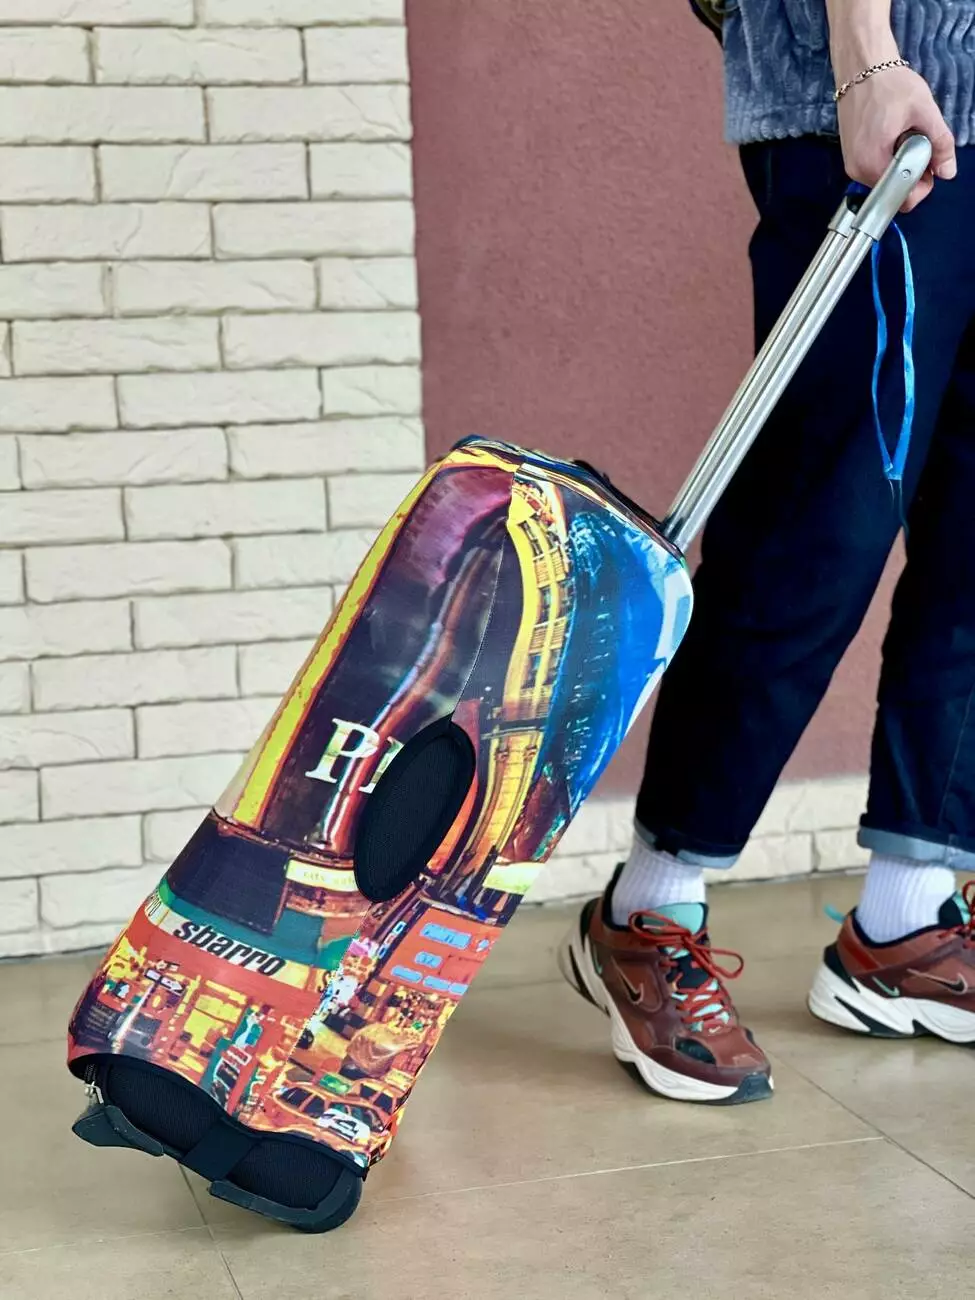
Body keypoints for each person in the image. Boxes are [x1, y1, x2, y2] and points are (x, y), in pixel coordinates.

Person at [561, 0, 975, 1104]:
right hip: (890, 94)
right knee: (815, 526)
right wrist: (865, 58)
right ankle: (650, 907)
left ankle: (907, 920)